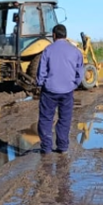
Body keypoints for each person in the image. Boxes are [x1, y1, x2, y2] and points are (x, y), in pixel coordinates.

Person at [36, 24, 83, 154]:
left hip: (49, 91)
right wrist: (73, 84)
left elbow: (41, 71)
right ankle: (62, 147)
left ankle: (46, 147)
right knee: (65, 119)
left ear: (54, 35)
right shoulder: (75, 51)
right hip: (67, 91)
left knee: (46, 119)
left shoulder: (48, 50)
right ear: (66, 35)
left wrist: (40, 84)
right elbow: (80, 73)